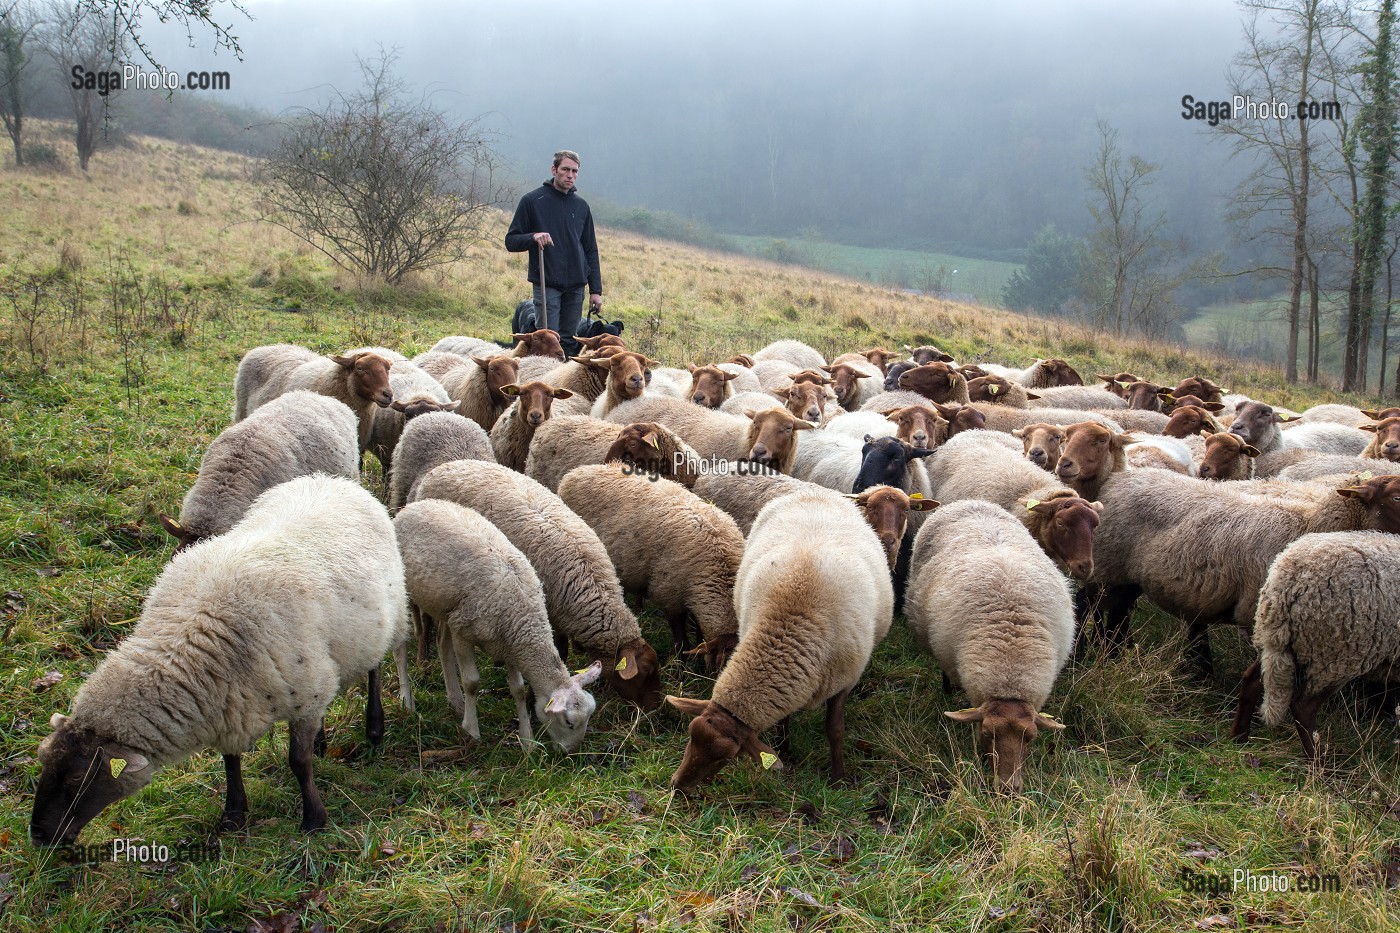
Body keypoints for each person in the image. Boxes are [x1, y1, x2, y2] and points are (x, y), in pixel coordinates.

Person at [505, 149, 603, 358]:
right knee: (547, 339)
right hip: (546, 281)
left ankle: (562, 387)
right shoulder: (532, 201)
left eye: (575, 171)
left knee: (568, 341)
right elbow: (511, 241)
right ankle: (539, 386)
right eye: (565, 169)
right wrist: (533, 237)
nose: (570, 175)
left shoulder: (581, 207)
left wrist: (596, 290)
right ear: (554, 170)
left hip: (576, 285)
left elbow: (590, 249)